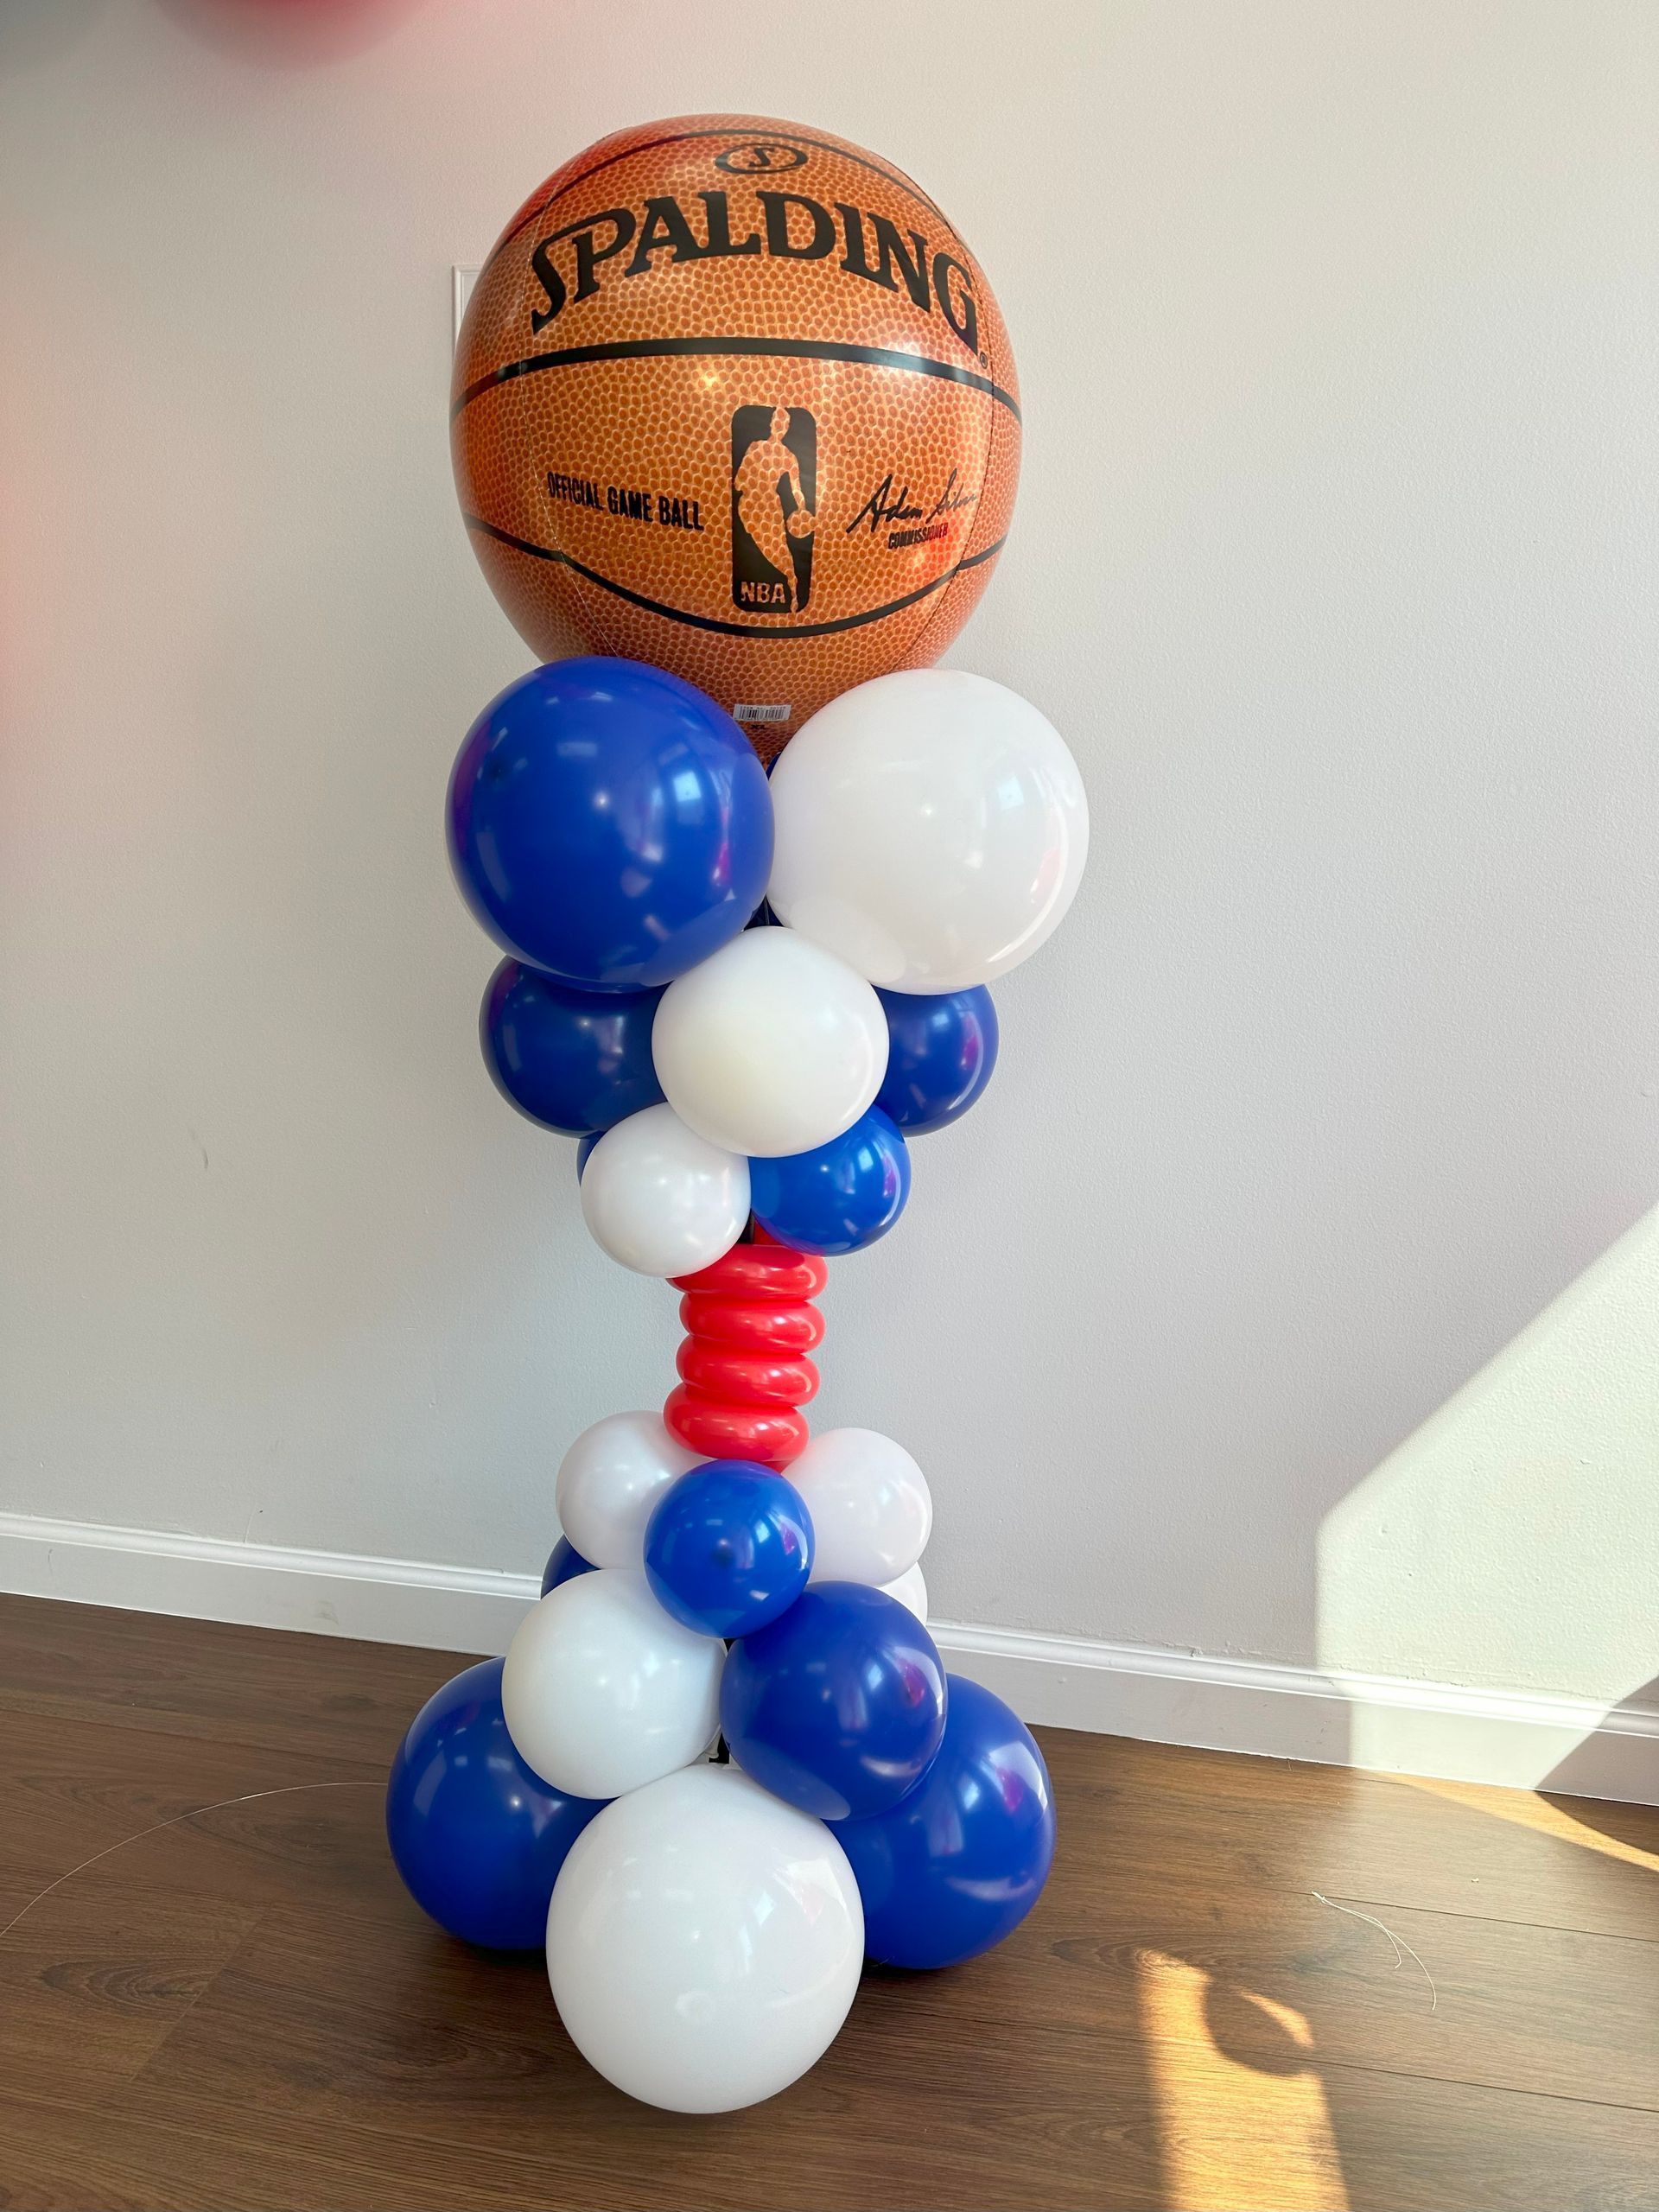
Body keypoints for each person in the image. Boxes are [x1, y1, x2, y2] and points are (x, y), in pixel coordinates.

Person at [734, 406, 814, 607]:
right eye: (778, 422)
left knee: (780, 549)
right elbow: (738, 482)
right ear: (771, 423)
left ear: (787, 428)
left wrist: (803, 509)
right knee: (763, 549)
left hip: (770, 505)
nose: (781, 427)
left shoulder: (789, 457)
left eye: (784, 424)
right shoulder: (755, 447)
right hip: (751, 505)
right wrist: (752, 483)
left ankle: (792, 590)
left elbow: (796, 489)